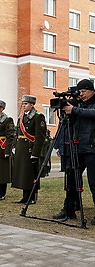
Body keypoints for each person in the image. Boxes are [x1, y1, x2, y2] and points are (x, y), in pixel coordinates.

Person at [62, 79, 95, 224]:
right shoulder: (78, 103)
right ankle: (69, 209)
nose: (81, 95)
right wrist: (68, 110)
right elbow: (69, 123)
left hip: (92, 148)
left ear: (91, 90)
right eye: (79, 92)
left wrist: (75, 110)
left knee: (94, 182)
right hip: (77, 147)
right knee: (72, 179)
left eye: (83, 92)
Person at [12, 95, 47, 204]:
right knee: (23, 174)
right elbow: (17, 133)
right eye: (23, 103)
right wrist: (14, 146)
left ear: (32, 105)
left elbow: (40, 137)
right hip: (21, 148)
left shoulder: (38, 117)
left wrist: (35, 153)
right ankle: (24, 197)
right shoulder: (21, 117)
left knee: (30, 174)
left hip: (30, 149)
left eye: (26, 104)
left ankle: (31, 197)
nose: (23, 106)